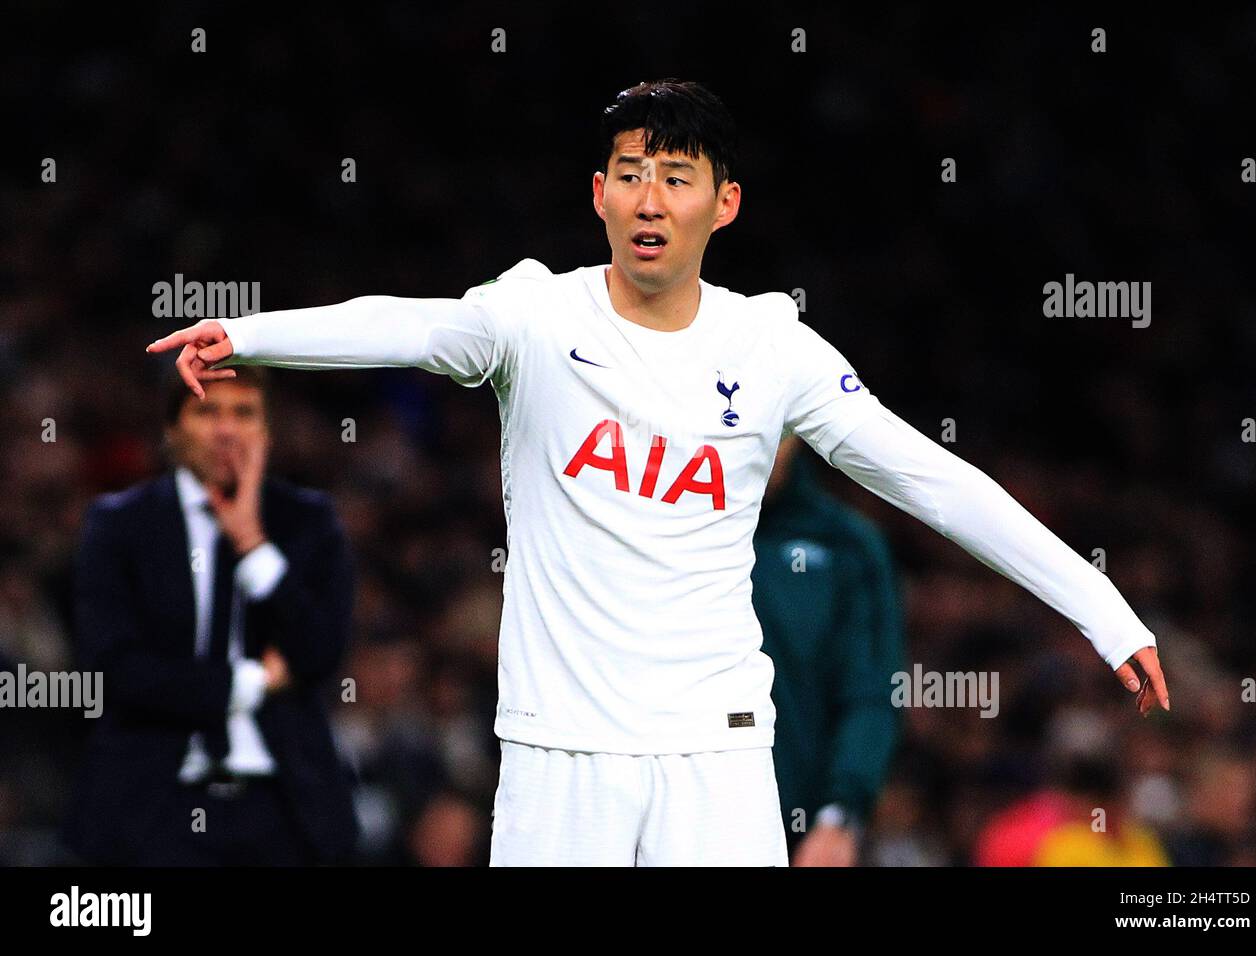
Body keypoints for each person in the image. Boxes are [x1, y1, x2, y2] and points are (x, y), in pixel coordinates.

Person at [146, 78, 1169, 867]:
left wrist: (1101, 605)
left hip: (716, 755)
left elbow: (931, 478)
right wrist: (250, 330)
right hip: (559, 753)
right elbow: (405, 326)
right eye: (630, 172)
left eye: (676, 177)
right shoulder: (533, 317)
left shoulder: (772, 345)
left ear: (721, 204)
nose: (650, 197)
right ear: (597, 193)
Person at [63, 368, 360, 865]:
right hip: (154, 806)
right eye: (207, 411)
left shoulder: (307, 521)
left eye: (244, 413)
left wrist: (252, 544)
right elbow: (110, 667)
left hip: (286, 807)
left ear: (266, 431)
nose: (226, 429)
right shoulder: (120, 524)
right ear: (171, 429)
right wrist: (251, 682)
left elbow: (322, 651)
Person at [753, 435, 905, 865]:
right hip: (675, 810)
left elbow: (874, 691)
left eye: (778, 432)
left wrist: (841, 814)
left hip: (798, 832)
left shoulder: (847, 545)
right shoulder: (667, 530)